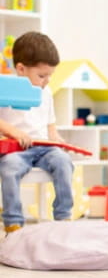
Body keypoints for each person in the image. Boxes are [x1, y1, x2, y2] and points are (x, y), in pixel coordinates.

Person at [0, 31, 74, 233]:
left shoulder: (46, 91)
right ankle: (13, 222)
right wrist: (14, 132)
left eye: (50, 75)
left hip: (43, 147)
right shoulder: (6, 88)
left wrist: (56, 139)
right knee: (9, 168)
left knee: (63, 162)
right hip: (15, 150)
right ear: (21, 69)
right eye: (42, 76)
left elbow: (50, 124)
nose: (47, 80)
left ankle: (63, 217)